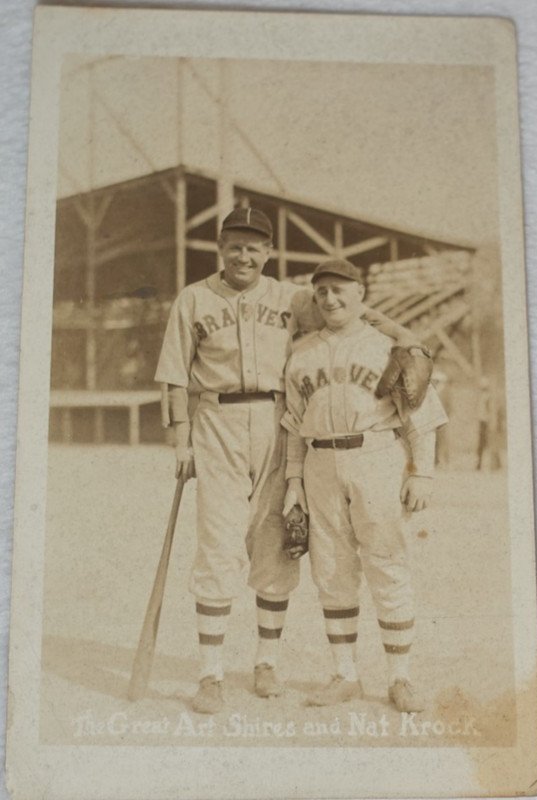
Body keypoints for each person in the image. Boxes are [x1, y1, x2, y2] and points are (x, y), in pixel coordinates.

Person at [155, 209, 423, 715]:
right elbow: (173, 374)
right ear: (219, 246)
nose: (244, 255)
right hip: (216, 419)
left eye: (254, 246)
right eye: (235, 244)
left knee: (274, 543)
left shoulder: (292, 299)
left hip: (278, 421)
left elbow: (349, 311)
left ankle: (266, 661)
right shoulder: (193, 298)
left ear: (268, 252)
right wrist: (181, 440)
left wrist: (402, 334)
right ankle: (210, 674)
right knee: (217, 543)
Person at [282, 259, 448, 712]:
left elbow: (422, 416)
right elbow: (293, 426)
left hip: (375, 455)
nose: (331, 300)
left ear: (360, 294)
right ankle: (345, 674)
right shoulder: (302, 353)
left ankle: (400, 678)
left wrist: (422, 473)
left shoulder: (388, 347)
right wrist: (293, 481)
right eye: (322, 293)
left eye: (340, 290)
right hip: (319, 462)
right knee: (332, 569)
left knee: (387, 563)